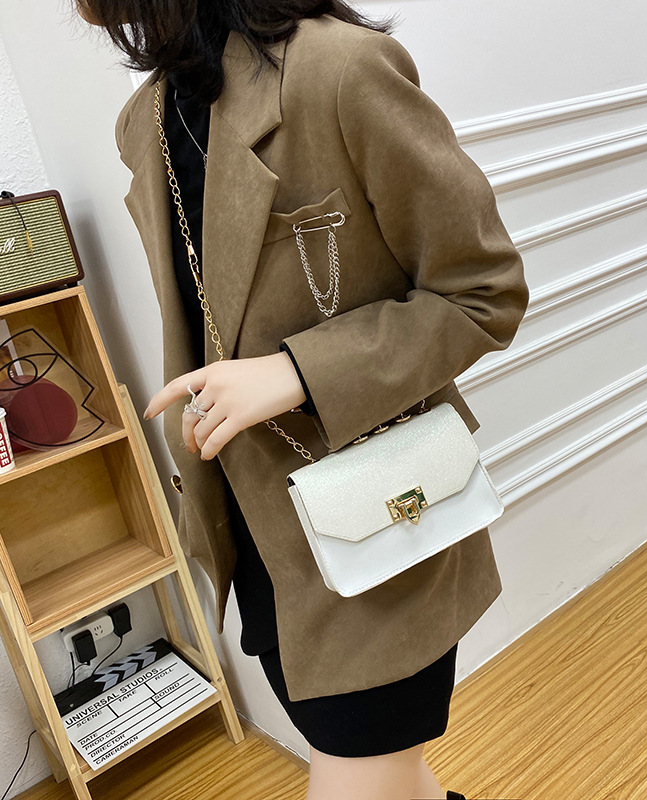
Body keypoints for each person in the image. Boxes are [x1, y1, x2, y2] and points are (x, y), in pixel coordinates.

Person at [75, 2, 529, 799]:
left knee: (361, 771)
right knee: (391, 777)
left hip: (380, 522)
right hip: (254, 539)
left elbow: (483, 294)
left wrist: (296, 373)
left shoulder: (342, 71)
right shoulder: (142, 123)